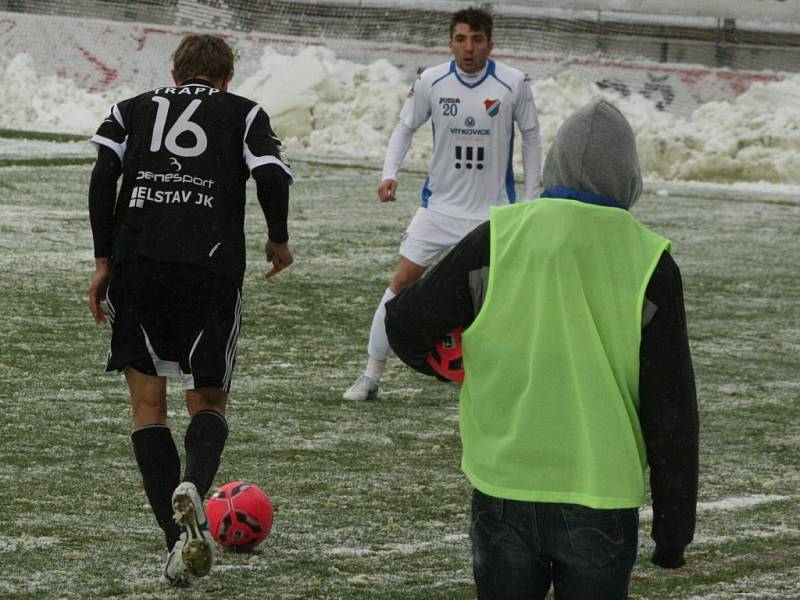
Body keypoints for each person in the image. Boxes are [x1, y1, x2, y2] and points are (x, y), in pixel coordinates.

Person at [385, 100, 698, 599]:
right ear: (629, 176)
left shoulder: (499, 236)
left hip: (504, 484)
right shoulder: (650, 262)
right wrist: (673, 533)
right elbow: (671, 409)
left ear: (553, 163)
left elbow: (402, 321)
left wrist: (446, 364)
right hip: (601, 494)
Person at [87, 34, 293, 586]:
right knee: (209, 398)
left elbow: (103, 176)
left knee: (148, 406)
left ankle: (176, 542)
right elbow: (272, 174)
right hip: (210, 265)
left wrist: (103, 260)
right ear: (226, 78)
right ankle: (196, 487)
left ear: (175, 73)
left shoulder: (129, 109)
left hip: (138, 261)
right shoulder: (245, 113)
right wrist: (278, 238)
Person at [343, 7, 542, 401]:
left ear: (490, 43)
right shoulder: (431, 81)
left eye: (477, 40)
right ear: (451, 42)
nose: (468, 48)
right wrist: (389, 172)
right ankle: (370, 375)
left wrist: (532, 199)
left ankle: (509, 381)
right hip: (439, 210)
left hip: (493, 214)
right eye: (461, 39)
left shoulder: (513, 83)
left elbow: (532, 138)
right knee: (400, 284)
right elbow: (404, 128)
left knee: (507, 299)